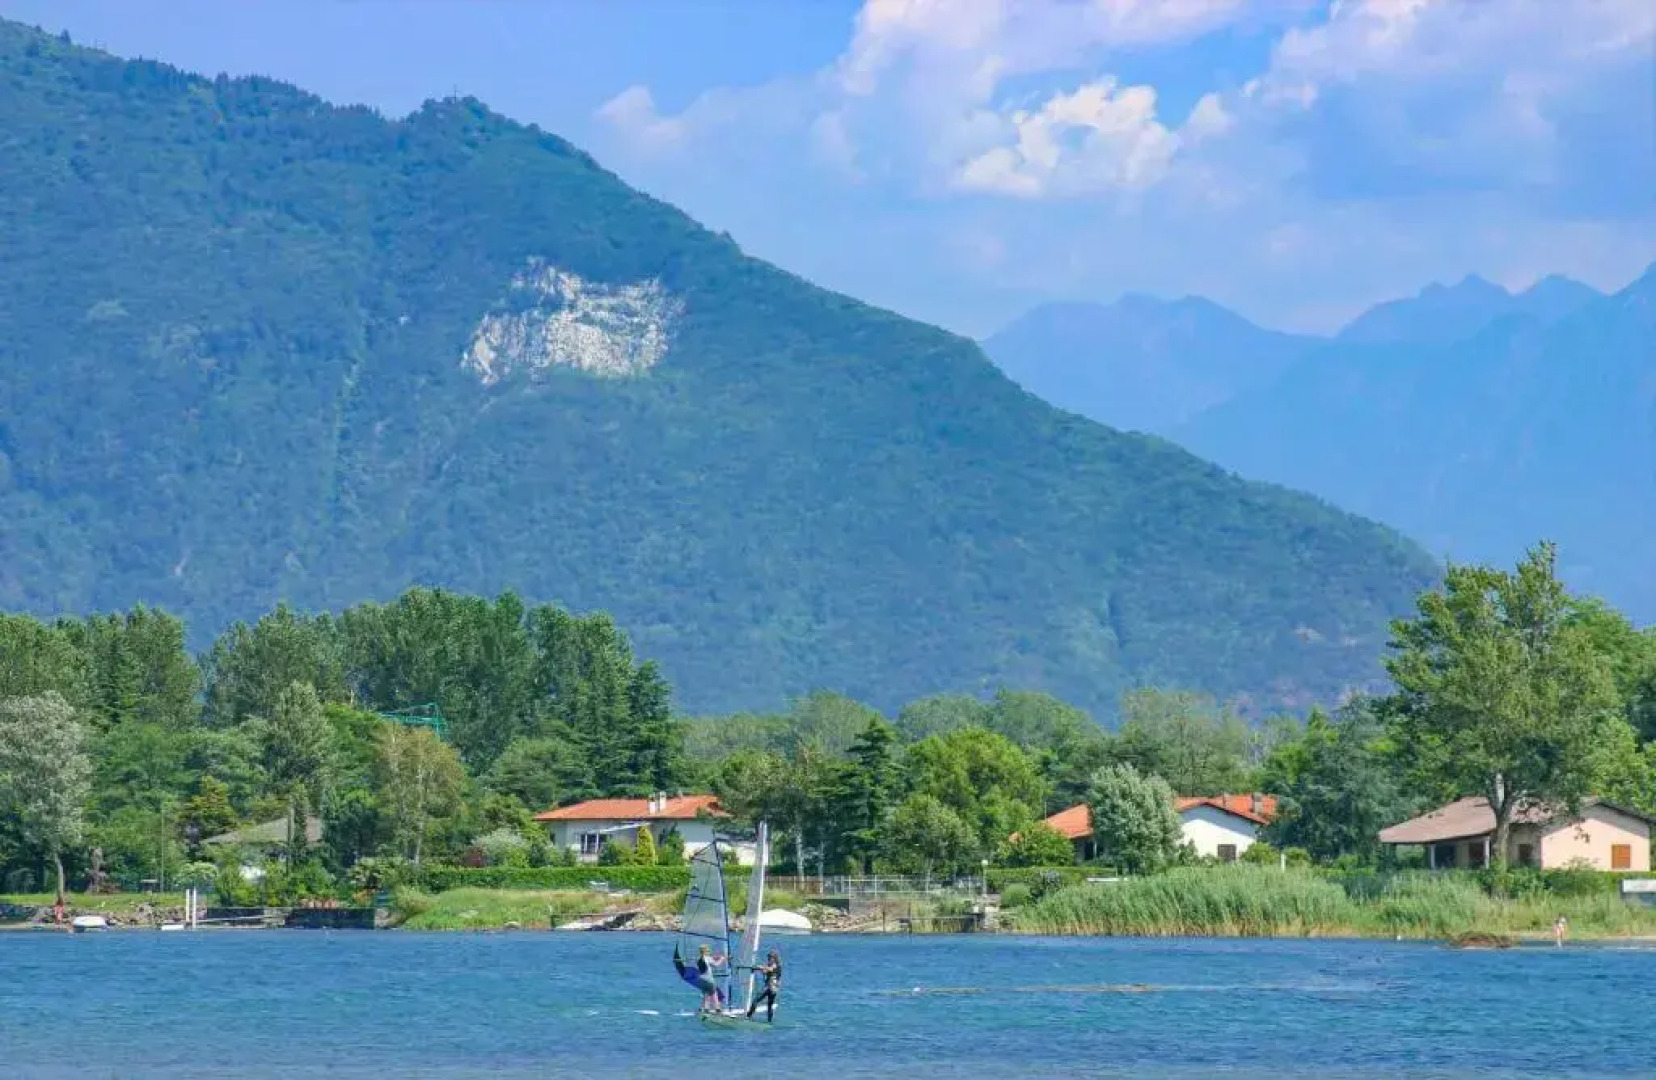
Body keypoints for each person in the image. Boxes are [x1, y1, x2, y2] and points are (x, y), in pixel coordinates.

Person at [747, 949, 782, 1023]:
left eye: (770, 957)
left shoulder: (776, 965)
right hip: (774, 988)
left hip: (770, 987)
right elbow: (767, 971)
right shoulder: (772, 965)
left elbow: (770, 969)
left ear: (774, 958)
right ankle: (769, 1021)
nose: (769, 959)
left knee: (756, 1000)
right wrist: (760, 969)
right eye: (768, 957)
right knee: (769, 1006)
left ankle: (748, 1016)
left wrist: (760, 967)